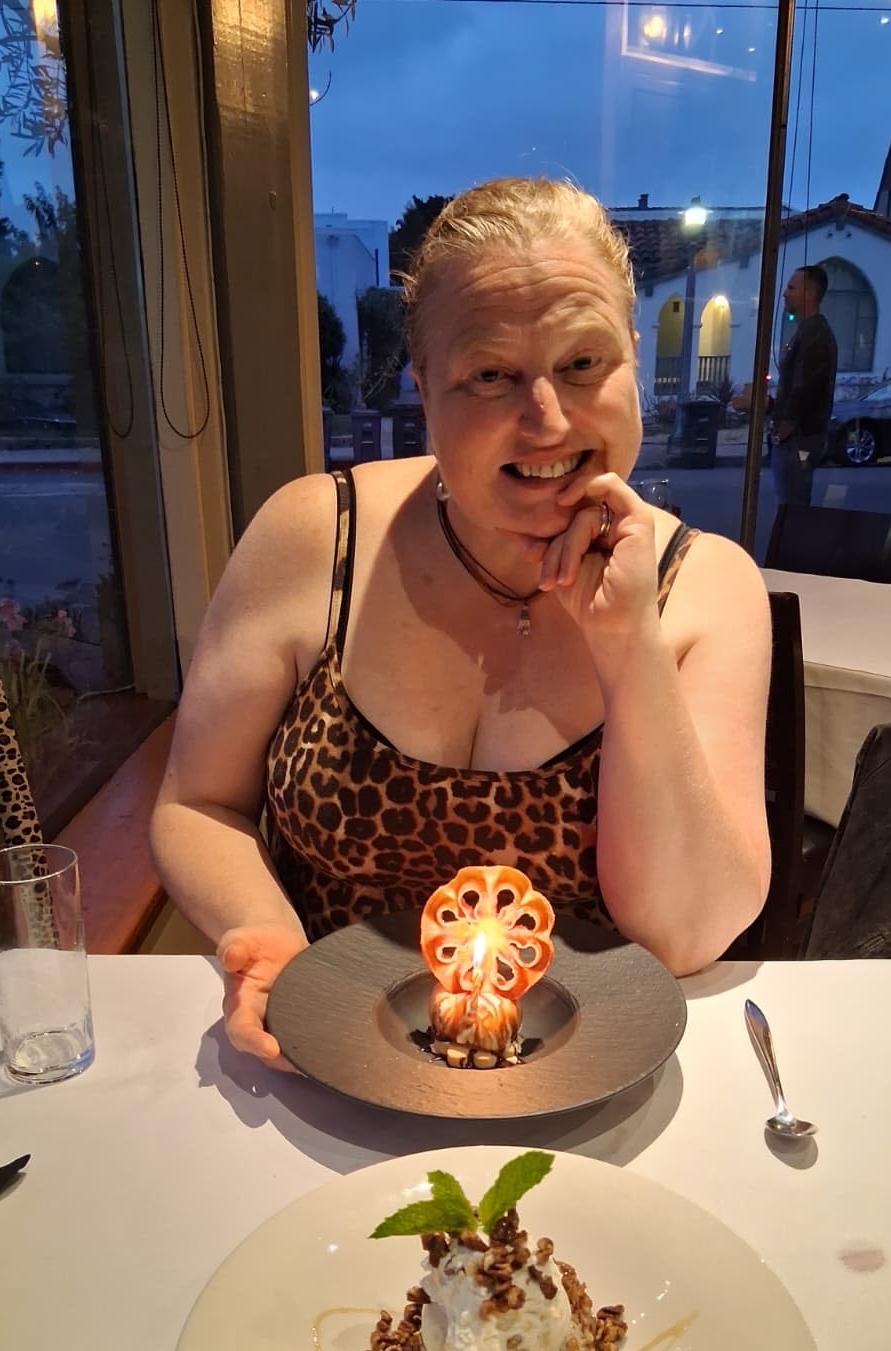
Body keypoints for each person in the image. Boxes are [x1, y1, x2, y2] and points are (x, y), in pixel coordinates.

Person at [150, 178, 772, 1066]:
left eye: (585, 363)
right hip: (320, 1064)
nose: (548, 418)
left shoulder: (709, 586)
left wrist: (627, 644)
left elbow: (684, 933)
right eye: (490, 375)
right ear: (425, 392)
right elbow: (196, 801)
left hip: (594, 1094)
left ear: (635, 357)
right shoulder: (311, 535)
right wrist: (264, 937)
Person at [771, 265, 838, 507]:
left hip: (799, 440)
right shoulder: (809, 332)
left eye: (791, 288)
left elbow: (805, 387)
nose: (785, 294)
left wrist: (784, 429)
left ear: (809, 293)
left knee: (793, 509)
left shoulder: (815, 334)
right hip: (798, 438)